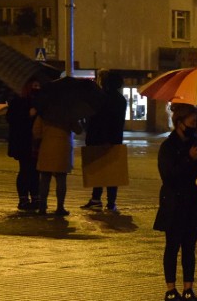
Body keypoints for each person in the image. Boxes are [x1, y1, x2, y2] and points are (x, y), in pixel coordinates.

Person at [153, 104, 197, 301]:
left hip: (194, 203)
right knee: (172, 246)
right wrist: (188, 159)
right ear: (179, 123)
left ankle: (188, 288)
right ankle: (170, 289)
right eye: (191, 121)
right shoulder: (168, 147)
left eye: (196, 121)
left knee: (189, 248)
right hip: (174, 204)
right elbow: (168, 176)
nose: (194, 125)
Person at [81, 70, 128, 214]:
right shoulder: (121, 99)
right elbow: (117, 122)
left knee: (99, 170)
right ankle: (111, 202)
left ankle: (96, 199)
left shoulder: (101, 98)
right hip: (114, 139)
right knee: (112, 172)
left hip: (98, 139)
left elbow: (100, 121)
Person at [34, 115, 83, 217]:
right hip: (63, 147)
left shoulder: (44, 112)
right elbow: (78, 130)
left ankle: (42, 207)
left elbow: (36, 131)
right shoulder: (68, 113)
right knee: (61, 179)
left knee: (44, 178)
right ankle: (60, 207)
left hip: (47, 146)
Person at [7, 79, 41, 211]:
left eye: (38, 85)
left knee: (35, 171)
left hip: (36, 142)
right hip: (23, 142)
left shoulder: (39, 101)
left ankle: (35, 197)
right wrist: (28, 114)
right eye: (34, 85)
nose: (36, 88)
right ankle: (23, 198)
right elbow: (12, 119)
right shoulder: (18, 101)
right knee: (25, 170)